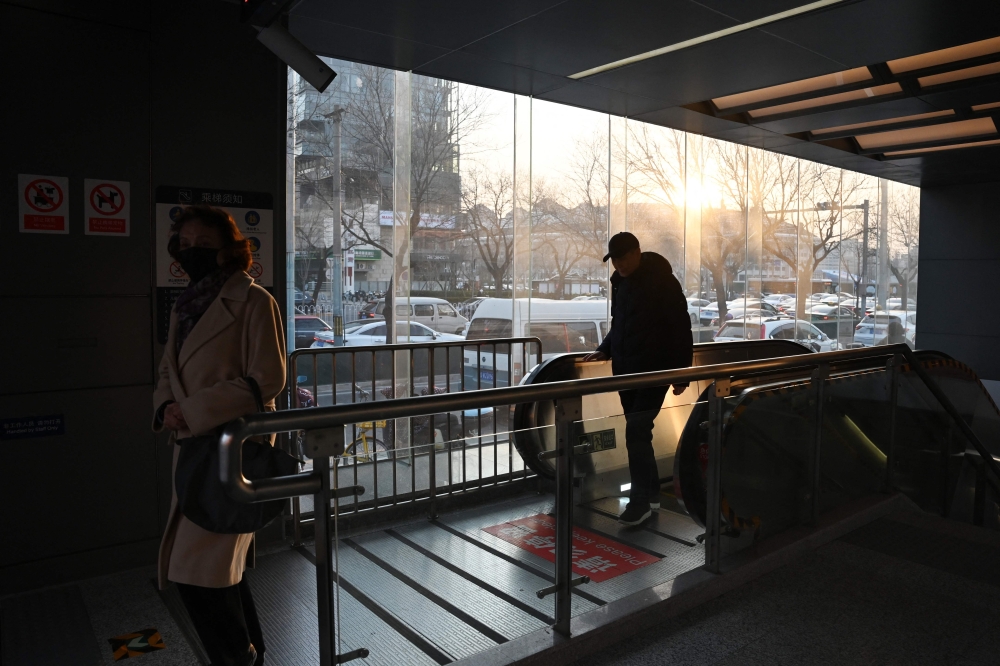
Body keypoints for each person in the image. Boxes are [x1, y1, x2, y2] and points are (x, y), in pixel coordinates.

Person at [152, 205, 286, 666]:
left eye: (203, 245)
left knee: (195, 572)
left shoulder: (254, 301)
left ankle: (237, 658)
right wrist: (165, 407)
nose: (192, 253)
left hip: (235, 452)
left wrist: (189, 411)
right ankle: (252, 654)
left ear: (229, 249)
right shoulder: (185, 305)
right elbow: (169, 368)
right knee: (218, 569)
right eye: (184, 245)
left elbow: (266, 378)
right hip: (195, 450)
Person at [583, 232, 693, 526]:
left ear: (637, 252)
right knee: (639, 434)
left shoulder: (662, 281)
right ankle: (652, 494)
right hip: (625, 370)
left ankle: (640, 501)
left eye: (623, 257)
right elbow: (620, 325)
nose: (618, 264)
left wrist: (680, 372)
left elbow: (680, 327)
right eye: (614, 259)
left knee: (636, 431)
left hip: (653, 371)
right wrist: (604, 349)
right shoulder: (619, 283)